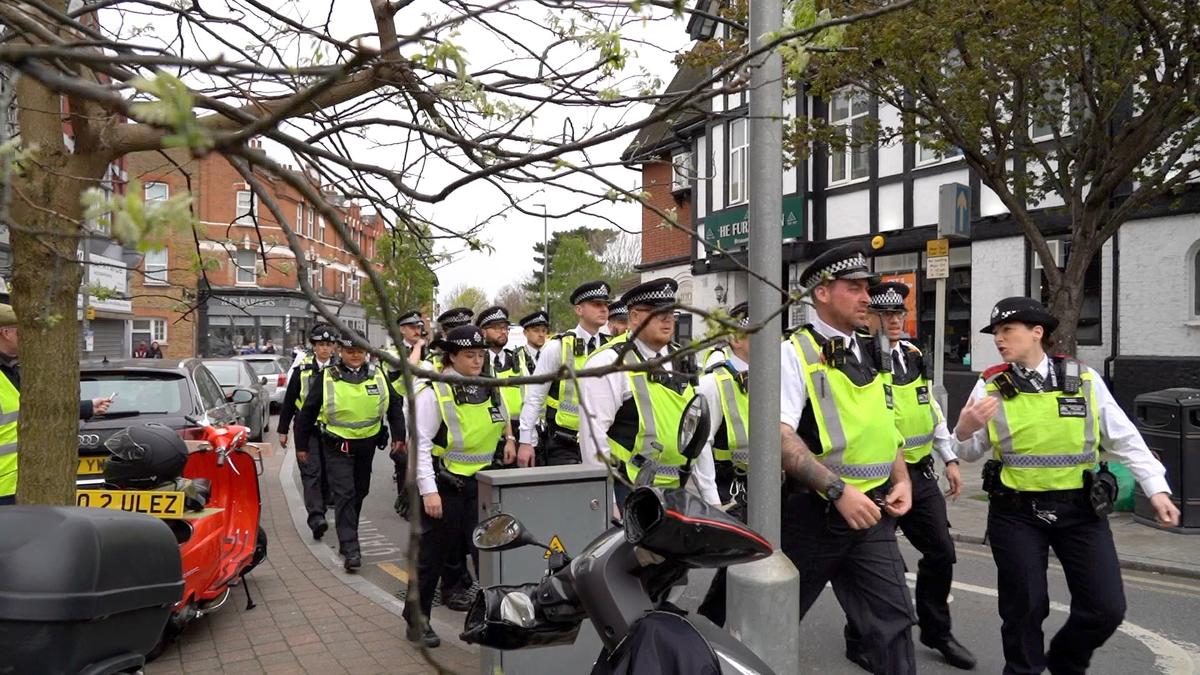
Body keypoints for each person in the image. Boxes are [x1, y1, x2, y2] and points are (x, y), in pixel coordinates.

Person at [952, 296, 1180, 675]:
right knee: (1024, 607)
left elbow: (1125, 438)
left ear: (1037, 333)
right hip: (1016, 512)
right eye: (996, 333)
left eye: (1007, 330)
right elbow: (967, 450)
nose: (999, 339)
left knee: (1106, 608)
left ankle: (1064, 662)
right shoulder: (990, 384)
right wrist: (964, 428)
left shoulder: (1084, 379)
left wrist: (1156, 489)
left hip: (1081, 510)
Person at [778, 244, 916, 675]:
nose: (866, 298)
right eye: (854, 287)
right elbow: (779, 438)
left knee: (894, 623)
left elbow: (885, 424)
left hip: (870, 512)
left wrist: (903, 479)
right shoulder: (792, 353)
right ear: (821, 293)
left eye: (867, 288)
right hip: (813, 516)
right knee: (761, 620)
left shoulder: (875, 350)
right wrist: (837, 491)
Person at [842, 281, 975, 670]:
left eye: (900, 313)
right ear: (871, 319)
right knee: (873, 563)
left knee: (941, 551)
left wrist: (949, 457)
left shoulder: (914, 355)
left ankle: (936, 631)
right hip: (877, 475)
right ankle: (860, 636)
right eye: (887, 315)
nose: (896, 321)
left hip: (919, 472)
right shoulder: (859, 358)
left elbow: (928, 407)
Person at [405, 324, 516, 648]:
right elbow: (421, 444)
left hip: (482, 485)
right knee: (431, 559)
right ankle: (417, 619)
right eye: (470, 355)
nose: (477, 360)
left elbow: (501, 413)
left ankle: (489, 620)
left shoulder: (488, 385)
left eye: (481, 354)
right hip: (445, 485)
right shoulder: (434, 390)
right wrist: (429, 491)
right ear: (452, 356)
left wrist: (509, 439)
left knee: (488, 557)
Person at [577, 278, 717, 511]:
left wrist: (711, 499)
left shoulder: (684, 360)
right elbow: (593, 437)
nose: (667, 319)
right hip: (629, 491)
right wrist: (607, 500)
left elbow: (697, 434)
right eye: (657, 312)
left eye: (671, 312)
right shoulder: (610, 363)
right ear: (634, 317)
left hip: (677, 491)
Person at [295, 329, 405, 571]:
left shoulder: (378, 375)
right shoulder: (326, 377)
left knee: (360, 491)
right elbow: (307, 413)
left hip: (366, 446)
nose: (355, 355)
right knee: (344, 493)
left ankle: (349, 530)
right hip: (337, 447)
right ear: (340, 351)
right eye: (350, 351)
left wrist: (399, 436)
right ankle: (350, 548)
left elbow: (394, 405)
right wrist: (302, 446)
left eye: (360, 351)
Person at [0, 304, 112, 504]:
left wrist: (87, 407)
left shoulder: (14, 368)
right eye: (22, 331)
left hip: (21, 483)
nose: (28, 337)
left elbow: (33, 412)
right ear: (6, 333)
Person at [696, 302, 751, 627]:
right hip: (731, 486)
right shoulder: (713, 383)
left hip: (771, 483)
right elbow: (701, 442)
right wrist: (712, 500)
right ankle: (711, 622)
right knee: (739, 558)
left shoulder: (774, 377)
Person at [517, 281, 611, 467]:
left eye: (606, 305)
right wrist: (526, 441)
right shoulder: (558, 346)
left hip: (603, 441)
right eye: (596, 304)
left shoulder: (612, 347)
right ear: (579, 310)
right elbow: (535, 396)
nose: (603, 309)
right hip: (564, 442)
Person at [278, 323, 340, 539]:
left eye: (328, 345)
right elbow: (289, 400)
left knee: (329, 473)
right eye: (320, 344)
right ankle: (316, 518)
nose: (324, 349)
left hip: (334, 429)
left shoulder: (340, 369)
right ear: (313, 346)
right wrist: (283, 429)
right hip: (308, 429)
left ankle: (324, 502)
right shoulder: (302, 368)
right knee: (311, 472)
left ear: (333, 347)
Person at [386, 310, 431, 519]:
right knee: (404, 460)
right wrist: (419, 347)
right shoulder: (394, 352)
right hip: (402, 410)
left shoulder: (426, 350)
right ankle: (406, 501)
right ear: (402, 329)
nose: (417, 331)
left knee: (423, 456)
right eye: (413, 327)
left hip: (424, 407)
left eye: (419, 327)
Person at [477, 306, 523, 468]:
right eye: (497, 328)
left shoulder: (517, 360)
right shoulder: (477, 362)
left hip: (519, 431)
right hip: (491, 433)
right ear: (483, 331)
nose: (503, 332)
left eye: (505, 328)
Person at [517, 310, 549, 375]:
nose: (541, 335)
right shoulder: (516, 357)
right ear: (525, 333)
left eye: (544, 330)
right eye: (536, 330)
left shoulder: (552, 353)